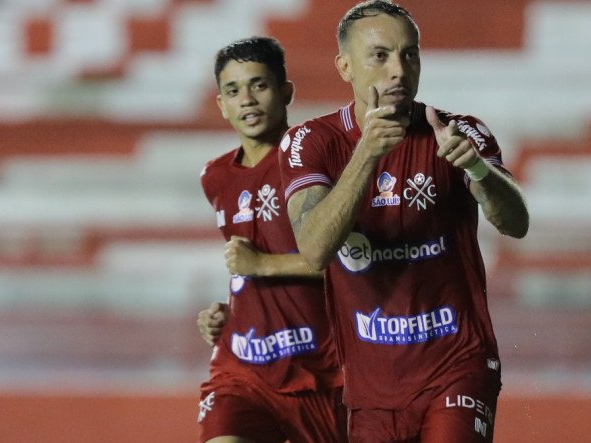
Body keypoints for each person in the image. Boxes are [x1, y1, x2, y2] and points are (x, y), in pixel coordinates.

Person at [278, 1, 529, 441]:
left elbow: (516, 223)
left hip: (457, 366)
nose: (398, 69)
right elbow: (314, 249)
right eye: (380, 56)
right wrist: (368, 153)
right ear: (345, 67)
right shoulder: (310, 142)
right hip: (371, 386)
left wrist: (479, 172)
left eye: (409, 54)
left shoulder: (458, 133)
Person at [195, 36, 345, 443]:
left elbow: (353, 261)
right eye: (233, 91)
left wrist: (260, 267)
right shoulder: (215, 177)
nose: (246, 99)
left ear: (286, 92)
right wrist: (236, 309)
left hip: (321, 371)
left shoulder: (316, 164)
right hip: (243, 368)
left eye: (259, 85)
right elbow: (247, 263)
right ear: (222, 105)